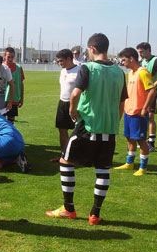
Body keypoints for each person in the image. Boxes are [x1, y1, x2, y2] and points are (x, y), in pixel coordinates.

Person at [46, 33, 127, 225]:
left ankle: (68, 209)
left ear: (91, 49)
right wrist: (115, 119)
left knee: (66, 162)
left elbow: (75, 94)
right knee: (103, 170)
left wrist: (73, 112)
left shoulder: (88, 68)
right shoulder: (119, 71)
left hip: (88, 125)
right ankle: (95, 214)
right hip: (110, 128)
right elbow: (123, 102)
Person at [115, 48, 157, 176]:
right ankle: (130, 163)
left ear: (131, 58)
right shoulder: (131, 73)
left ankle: (143, 168)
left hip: (138, 113)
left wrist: (145, 108)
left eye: (124, 60)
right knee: (129, 139)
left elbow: (152, 91)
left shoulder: (142, 72)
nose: (122, 62)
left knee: (141, 141)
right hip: (129, 111)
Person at [136, 42, 157, 152]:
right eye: (139, 51)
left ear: (148, 50)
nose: (140, 53)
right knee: (142, 115)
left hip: (152, 93)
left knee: (150, 117)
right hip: (142, 93)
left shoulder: (156, 61)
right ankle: (143, 140)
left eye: (141, 51)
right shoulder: (142, 61)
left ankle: (151, 143)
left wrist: (154, 85)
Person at [53, 49, 79, 163]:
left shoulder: (79, 71)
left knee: (78, 131)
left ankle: (78, 155)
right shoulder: (63, 71)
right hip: (62, 103)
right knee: (62, 130)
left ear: (69, 59)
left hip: (75, 104)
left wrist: (75, 107)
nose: (59, 63)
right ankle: (64, 155)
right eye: (58, 61)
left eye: (61, 61)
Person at [3, 47, 24, 123]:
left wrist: (22, 98)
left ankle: (9, 134)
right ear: (5, 56)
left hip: (14, 100)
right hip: (2, 99)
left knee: (11, 120)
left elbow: (21, 84)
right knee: (1, 119)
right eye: (9, 56)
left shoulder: (19, 68)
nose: (10, 58)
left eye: (12, 56)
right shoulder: (1, 67)